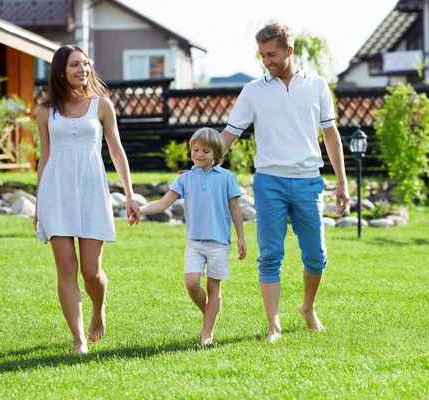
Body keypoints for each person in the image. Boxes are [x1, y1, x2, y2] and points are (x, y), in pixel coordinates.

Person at [221, 22, 350, 343]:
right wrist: (199, 165)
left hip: (308, 181)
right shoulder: (253, 90)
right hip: (269, 183)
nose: (267, 61)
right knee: (270, 255)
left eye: (272, 54)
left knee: (316, 255)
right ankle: (273, 325)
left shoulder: (317, 86)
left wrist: (342, 182)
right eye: (262, 55)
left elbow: (331, 136)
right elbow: (229, 134)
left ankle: (308, 308)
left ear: (289, 51)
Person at [34, 45, 139, 354]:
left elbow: (117, 151)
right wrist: (39, 201)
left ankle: (98, 308)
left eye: (86, 64)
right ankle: (79, 340)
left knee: (91, 272)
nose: (83, 69)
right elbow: (44, 156)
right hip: (56, 190)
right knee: (65, 265)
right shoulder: (45, 111)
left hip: (91, 189)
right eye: (75, 65)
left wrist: (130, 194)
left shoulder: (102, 105)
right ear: (60, 71)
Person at [129, 128, 247, 346]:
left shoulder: (227, 178)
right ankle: (210, 314)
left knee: (214, 289)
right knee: (192, 283)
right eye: (195, 150)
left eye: (205, 151)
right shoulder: (185, 179)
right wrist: (140, 210)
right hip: (195, 242)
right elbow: (163, 203)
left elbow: (235, 208)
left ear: (216, 155)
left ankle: (207, 333)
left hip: (219, 242)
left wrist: (241, 237)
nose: (199, 154)